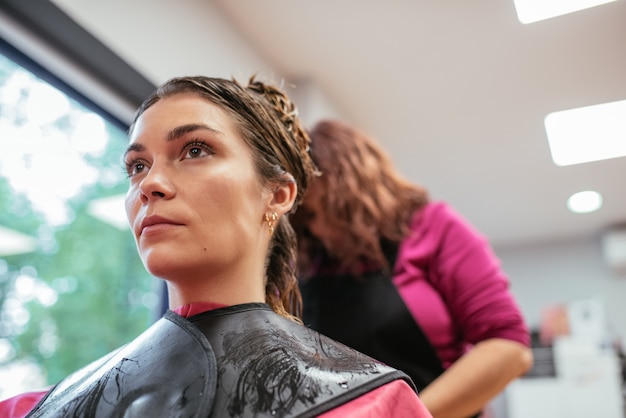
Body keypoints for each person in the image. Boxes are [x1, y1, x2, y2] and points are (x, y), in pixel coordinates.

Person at [0, 77, 433, 417]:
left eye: (195, 149)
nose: (149, 184)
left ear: (278, 194)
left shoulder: (372, 404)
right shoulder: (29, 408)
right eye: (137, 166)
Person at [289, 119, 534, 418]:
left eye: (331, 210)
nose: (322, 230)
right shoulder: (310, 265)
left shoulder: (433, 228)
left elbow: (509, 347)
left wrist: (402, 415)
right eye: (310, 218)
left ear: (358, 193)